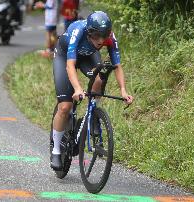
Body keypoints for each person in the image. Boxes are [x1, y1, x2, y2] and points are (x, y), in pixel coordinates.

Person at [51, 11, 134, 170]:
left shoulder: (110, 38)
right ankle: (56, 150)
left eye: (104, 36)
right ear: (89, 32)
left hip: (88, 56)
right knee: (65, 106)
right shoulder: (78, 31)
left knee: (100, 77)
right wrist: (77, 88)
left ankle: (93, 113)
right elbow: (70, 65)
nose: (101, 41)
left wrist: (123, 90)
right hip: (65, 56)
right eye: (96, 36)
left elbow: (117, 66)